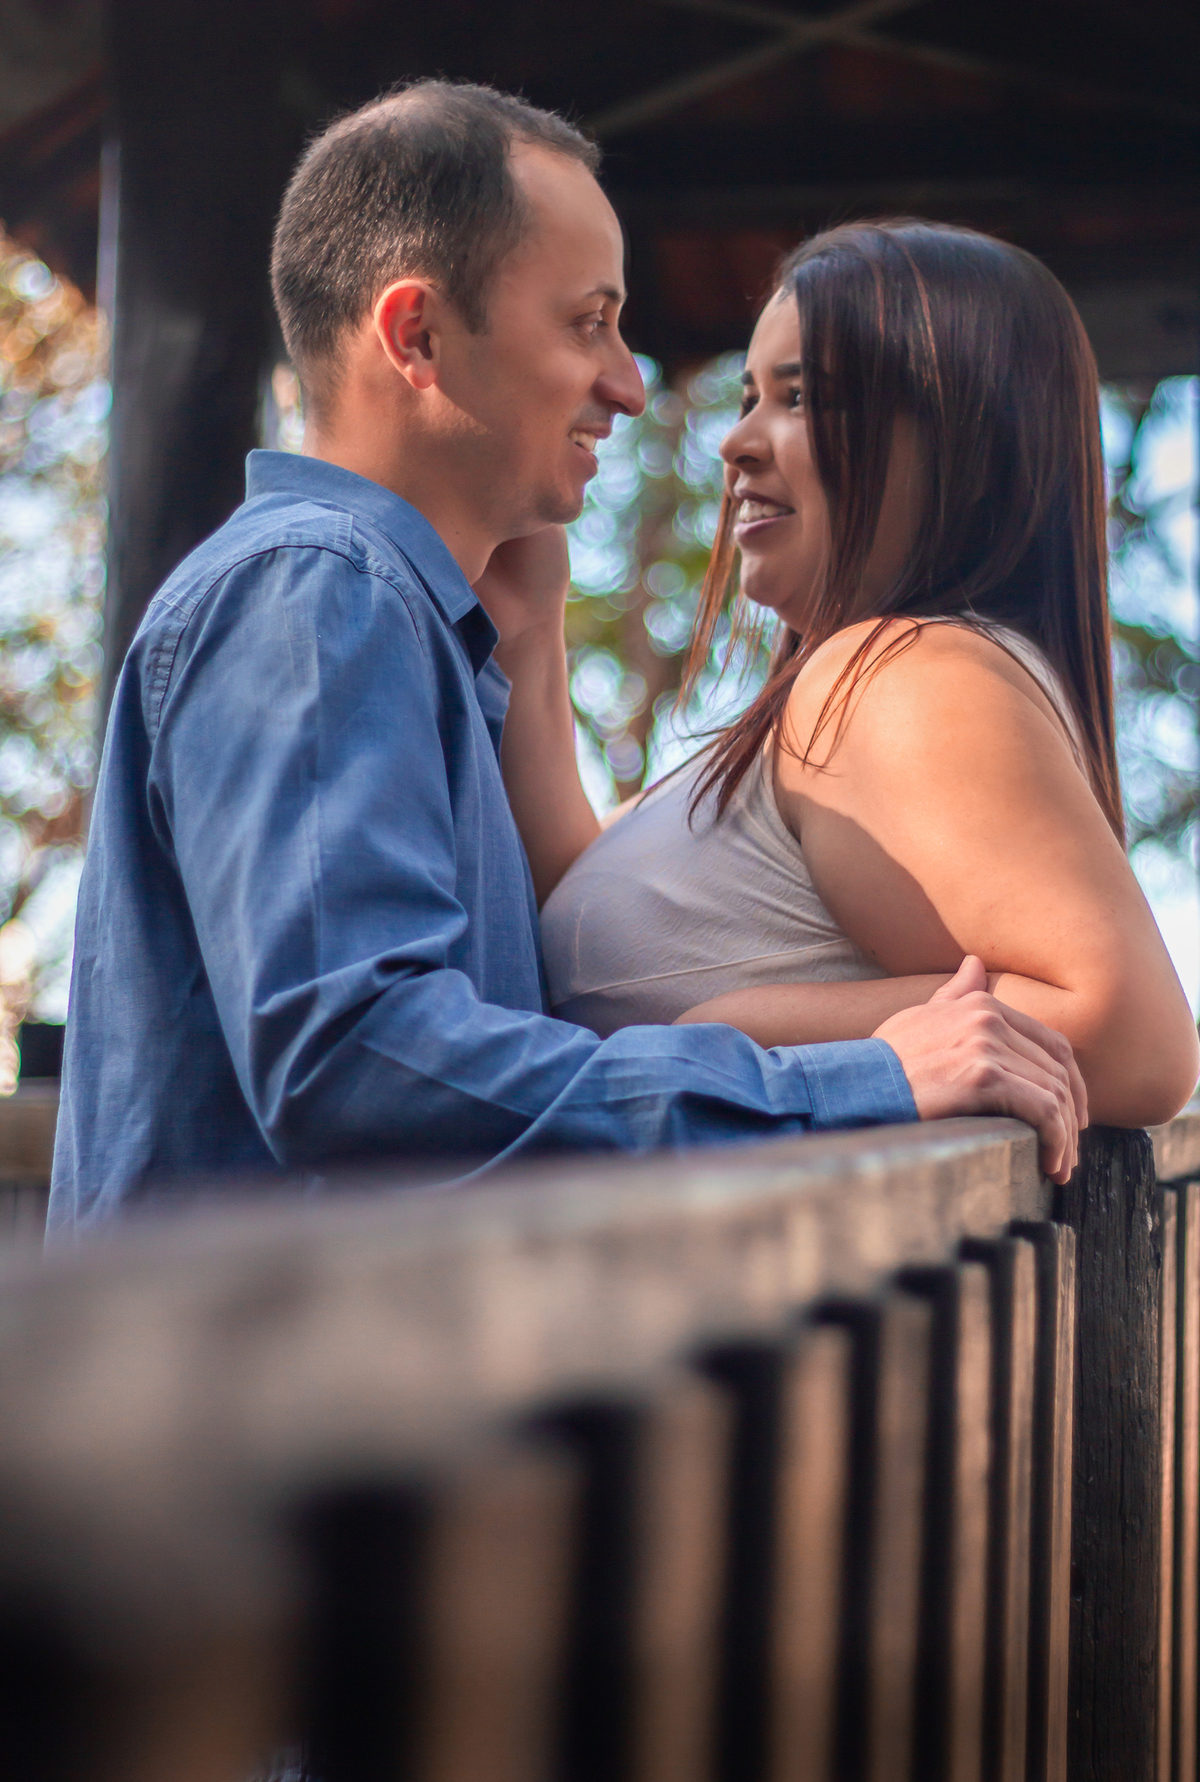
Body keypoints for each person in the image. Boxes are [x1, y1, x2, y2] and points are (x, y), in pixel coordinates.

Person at [49, 85, 1085, 1231]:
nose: (631, 383)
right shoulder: (315, 592)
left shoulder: (392, 625)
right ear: (418, 337)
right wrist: (859, 1079)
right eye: (587, 321)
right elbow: (357, 1059)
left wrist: (527, 644)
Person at [533, 220, 1198, 1128]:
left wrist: (738, 1027)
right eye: (749, 397)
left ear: (969, 446)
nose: (736, 445)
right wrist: (532, 625)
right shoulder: (846, 693)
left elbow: (1135, 1045)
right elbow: (581, 904)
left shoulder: (901, 677)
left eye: (803, 399)